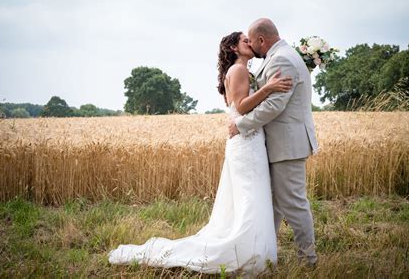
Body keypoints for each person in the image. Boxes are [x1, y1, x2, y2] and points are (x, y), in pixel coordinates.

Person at [108, 31, 293, 275]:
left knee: (250, 198)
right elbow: (242, 106)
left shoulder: (241, 70)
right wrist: (268, 88)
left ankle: (255, 250)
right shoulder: (237, 70)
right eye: (244, 41)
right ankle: (250, 253)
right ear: (234, 48)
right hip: (246, 142)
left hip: (248, 141)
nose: (249, 43)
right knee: (251, 197)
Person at [228, 18, 319, 267]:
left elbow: (274, 106)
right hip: (280, 143)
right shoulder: (279, 55)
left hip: (288, 144)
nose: (250, 45)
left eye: (251, 40)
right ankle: (265, 252)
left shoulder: (281, 59)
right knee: (275, 204)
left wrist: (242, 125)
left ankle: (308, 259)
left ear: (261, 40)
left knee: (293, 202)